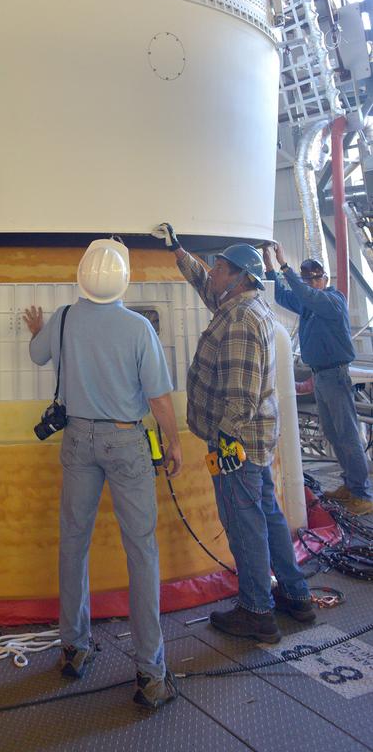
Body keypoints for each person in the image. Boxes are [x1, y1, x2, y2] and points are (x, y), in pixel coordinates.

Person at [24, 239, 182, 711]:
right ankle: (151, 675)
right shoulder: (137, 328)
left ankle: (73, 649)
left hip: (77, 440)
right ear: (123, 281)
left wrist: (37, 328)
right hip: (126, 441)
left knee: (74, 542)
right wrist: (173, 441)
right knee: (142, 552)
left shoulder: (64, 319)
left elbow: (36, 355)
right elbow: (157, 398)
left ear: (81, 278)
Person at [154, 223, 314, 643]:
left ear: (240, 276)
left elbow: (240, 397)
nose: (214, 271)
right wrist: (178, 253)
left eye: (220, 267)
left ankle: (257, 611)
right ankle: (296, 597)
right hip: (255, 441)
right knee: (269, 514)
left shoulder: (241, 321)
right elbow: (207, 288)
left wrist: (224, 444)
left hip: (237, 444)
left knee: (243, 522)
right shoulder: (239, 305)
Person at [265, 243, 373, 516]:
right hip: (322, 378)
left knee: (347, 434)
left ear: (325, 279)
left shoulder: (332, 301)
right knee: (335, 433)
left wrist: (285, 265)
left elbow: (306, 295)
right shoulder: (309, 305)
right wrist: (269, 267)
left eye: (316, 277)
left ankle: (362, 493)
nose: (313, 282)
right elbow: (282, 296)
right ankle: (351, 485)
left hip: (335, 376)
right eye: (308, 278)